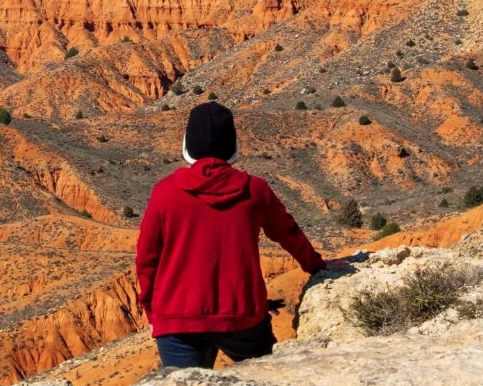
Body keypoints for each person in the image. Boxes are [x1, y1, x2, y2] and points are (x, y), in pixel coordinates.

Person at [135, 101, 343, 368]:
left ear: (187, 144)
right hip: (242, 317)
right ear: (233, 144)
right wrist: (316, 265)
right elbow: (288, 233)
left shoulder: (165, 193)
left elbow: (147, 257)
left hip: (177, 321)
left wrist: (154, 309)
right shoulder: (255, 190)